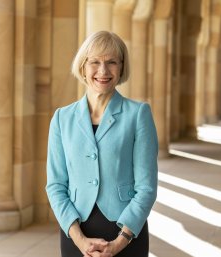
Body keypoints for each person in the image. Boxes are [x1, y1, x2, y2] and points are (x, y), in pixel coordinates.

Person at [46, 31, 158, 257]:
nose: (103, 71)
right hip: (76, 234)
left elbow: (146, 188)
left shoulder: (138, 114)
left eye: (112, 62)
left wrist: (119, 243)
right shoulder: (62, 118)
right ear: (83, 67)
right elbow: (55, 185)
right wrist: (80, 241)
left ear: (121, 67)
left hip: (126, 234)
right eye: (94, 62)